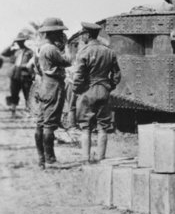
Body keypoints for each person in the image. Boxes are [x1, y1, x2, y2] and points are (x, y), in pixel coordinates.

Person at [72, 22, 121, 163]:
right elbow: (117, 75)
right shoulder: (109, 51)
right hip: (104, 91)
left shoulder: (83, 52)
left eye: (83, 34)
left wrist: (77, 90)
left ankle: (85, 158)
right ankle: (101, 158)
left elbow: (79, 76)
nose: (82, 37)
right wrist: (109, 86)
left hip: (87, 92)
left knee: (85, 127)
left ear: (87, 35)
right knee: (103, 127)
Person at [34, 17, 72, 168]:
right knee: (49, 124)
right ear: (54, 33)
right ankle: (50, 159)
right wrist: (67, 45)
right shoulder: (51, 49)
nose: (61, 34)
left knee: (40, 123)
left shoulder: (40, 48)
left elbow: (36, 69)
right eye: (60, 32)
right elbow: (68, 61)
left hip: (43, 84)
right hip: (53, 86)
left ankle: (41, 158)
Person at [1, 31, 35, 117]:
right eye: (18, 41)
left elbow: (33, 63)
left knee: (27, 93)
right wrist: (11, 44)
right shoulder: (14, 51)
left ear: (24, 41)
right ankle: (13, 111)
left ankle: (29, 111)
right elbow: (3, 53)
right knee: (14, 93)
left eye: (21, 41)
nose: (19, 43)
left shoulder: (29, 51)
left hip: (25, 74)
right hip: (14, 74)